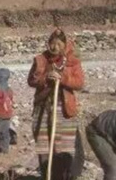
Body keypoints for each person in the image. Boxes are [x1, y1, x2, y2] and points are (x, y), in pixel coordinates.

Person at [28, 28, 85, 158]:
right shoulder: (41, 60)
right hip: (43, 105)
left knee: (64, 144)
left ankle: (64, 170)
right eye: (52, 43)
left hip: (64, 107)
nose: (55, 47)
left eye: (59, 44)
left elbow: (80, 83)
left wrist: (63, 79)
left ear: (65, 45)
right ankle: (46, 170)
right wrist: (45, 78)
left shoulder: (72, 61)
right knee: (43, 142)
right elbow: (31, 80)